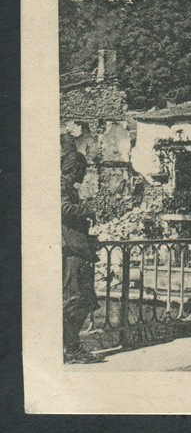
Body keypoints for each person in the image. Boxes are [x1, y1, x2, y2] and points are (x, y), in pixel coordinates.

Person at [61, 149, 103, 364]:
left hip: (78, 249)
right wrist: (87, 210)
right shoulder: (61, 186)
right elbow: (63, 208)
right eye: (83, 170)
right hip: (72, 252)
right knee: (75, 301)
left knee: (84, 301)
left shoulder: (68, 187)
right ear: (75, 169)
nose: (85, 174)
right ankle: (72, 349)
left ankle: (71, 346)